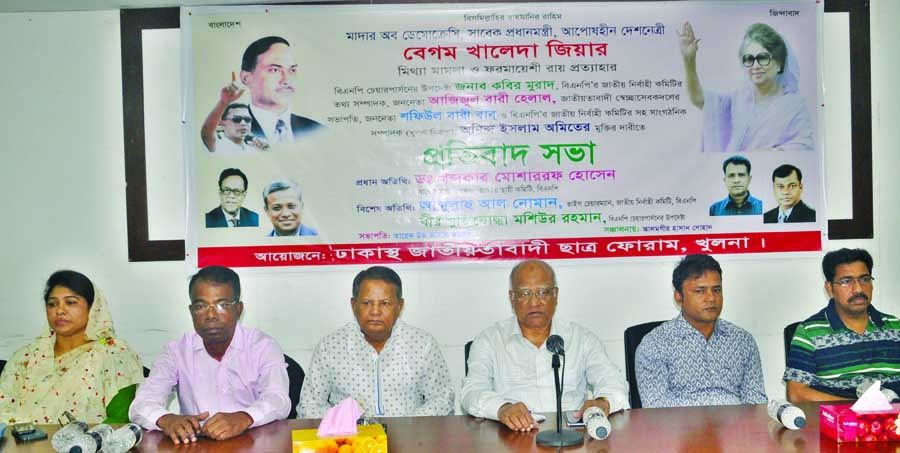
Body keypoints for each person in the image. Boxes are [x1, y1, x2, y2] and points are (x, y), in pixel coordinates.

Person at [460, 259, 628, 431]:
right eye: (525, 293)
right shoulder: (489, 340)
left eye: (542, 292)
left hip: (572, 438)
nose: (534, 302)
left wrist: (602, 402)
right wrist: (502, 408)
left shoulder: (582, 339)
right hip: (512, 438)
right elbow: (471, 392)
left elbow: (614, 383)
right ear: (512, 298)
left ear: (555, 295)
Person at [129, 266, 290, 443]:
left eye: (222, 305)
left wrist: (245, 417)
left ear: (239, 309)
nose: (211, 315)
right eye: (201, 306)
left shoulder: (263, 347)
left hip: (252, 442)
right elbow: (140, 405)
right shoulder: (176, 352)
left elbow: (278, 399)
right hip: (195, 446)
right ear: (191, 312)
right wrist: (166, 419)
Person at [299, 266, 454, 418]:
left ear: (399, 306)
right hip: (351, 438)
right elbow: (309, 405)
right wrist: (345, 424)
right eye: (366, 303)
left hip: (410, 436)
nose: (375, 311)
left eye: (385, 303)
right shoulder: (330, 347)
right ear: (354, 305)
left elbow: (442, 398)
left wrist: (409, 425)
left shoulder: (422, 344)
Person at [0, 270, 144, 425]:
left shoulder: (114, 353)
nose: (60, 310)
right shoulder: (25, 357)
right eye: (52, 304)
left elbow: (118, 420)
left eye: (71, 302)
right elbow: (3, 410)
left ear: (93, 308)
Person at [635, 254, 767, 408]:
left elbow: (756, 403)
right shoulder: (655, 344)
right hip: (681, 430)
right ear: (679, 297)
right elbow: (655, 409)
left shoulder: (743, 341)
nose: (711, 298)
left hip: (735, 429)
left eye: (716, 290)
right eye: (700, 291)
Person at [784, 249, 900, 402]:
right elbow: (796, 394)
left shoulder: (895, 328)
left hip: (892, 420)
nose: (858, 288)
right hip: (838, 421)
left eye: (864, 279)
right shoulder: (809, 333)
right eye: (846, 281)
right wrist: (858, 408)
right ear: (830, 288)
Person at [679, 21, 813, 152]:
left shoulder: (794, 106)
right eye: (749, 59)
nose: (755, 66)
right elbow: (699, 99)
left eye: (763, 58)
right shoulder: (739, 99)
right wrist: (689, 61)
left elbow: (804, 145)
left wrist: (768, 153)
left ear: (779, 64)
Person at [240, 36, 323, 144]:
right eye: (275, 70)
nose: (287, 80)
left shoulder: (316, 130)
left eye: (292, 70)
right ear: (246, 78)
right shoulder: (227, 134)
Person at [200, 100, 269, 153]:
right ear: (221, 123)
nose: (243, 123)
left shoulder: (253, 148)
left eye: (247, 119)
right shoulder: (218, 145)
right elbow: (206, 134)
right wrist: (223, 102)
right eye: (237, 119)